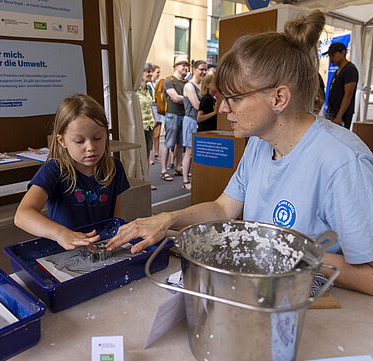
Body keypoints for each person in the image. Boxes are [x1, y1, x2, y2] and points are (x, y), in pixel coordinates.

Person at [106, 10, 373, 295]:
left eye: (233, 99)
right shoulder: (260, 143)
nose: (222, 109)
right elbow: (223, 208)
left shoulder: (343, 161)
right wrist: (168, 218)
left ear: (279, 98)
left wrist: (284, 251)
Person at [14, 94, 130, 250]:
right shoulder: (54, 170)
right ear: (62, 141)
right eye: (79, 141)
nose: (90, 147)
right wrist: (60, 233)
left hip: (102, 247)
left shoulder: (114, 167)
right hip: (66, 250)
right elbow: (22, 215)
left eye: (97, 138)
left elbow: (115, 219)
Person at [160, 55, 189, 181]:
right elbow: (175, 98)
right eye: (183, 65)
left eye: (186, 65)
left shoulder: (186, 82)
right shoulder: (168, 80)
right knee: (168, 142)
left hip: (184, 115)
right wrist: (188, 98)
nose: (185, 67)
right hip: (172, 114)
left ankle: (178, 167)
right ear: (176, 66)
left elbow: (178, 98)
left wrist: (181, 98)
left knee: (180, 144)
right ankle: (163, 170)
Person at [181, 60, 208, 190]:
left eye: (205, 69)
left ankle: (195, 178)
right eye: (201, 69)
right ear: (194, 69)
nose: (204, 72)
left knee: (198, 152)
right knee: (189, 152)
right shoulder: (189, 86)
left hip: (200, 122)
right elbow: (197, 105)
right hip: (191, 121)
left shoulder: (203, 85)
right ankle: (185, 180)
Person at [325, 42, 359, 129]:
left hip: (342, 116)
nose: (331, 58)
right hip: (332, 112)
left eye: (333, 55)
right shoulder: (338, 70)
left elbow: (348, 94)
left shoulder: (350, 69)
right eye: (329, 56)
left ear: (343, 52)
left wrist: (339, 116)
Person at [138, 63, 157, 190]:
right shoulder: (135, 90)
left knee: (147, 154)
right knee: (138, 154)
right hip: (140, 126)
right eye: (148, 72)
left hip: (149, 125)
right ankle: (138, 180)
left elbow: (150, 105)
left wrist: (154, 118)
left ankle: (145, 180)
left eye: (151, 72)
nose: (150, 74)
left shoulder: (149, 88)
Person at [149, 64, 164, 163]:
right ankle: (148, 156)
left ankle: (156, 154)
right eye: (157, 72)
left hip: (158, 109)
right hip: (152, 110)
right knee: (151, 134)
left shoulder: (158, 83)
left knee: (157, 134)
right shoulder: (148, 84)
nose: (159, 74)